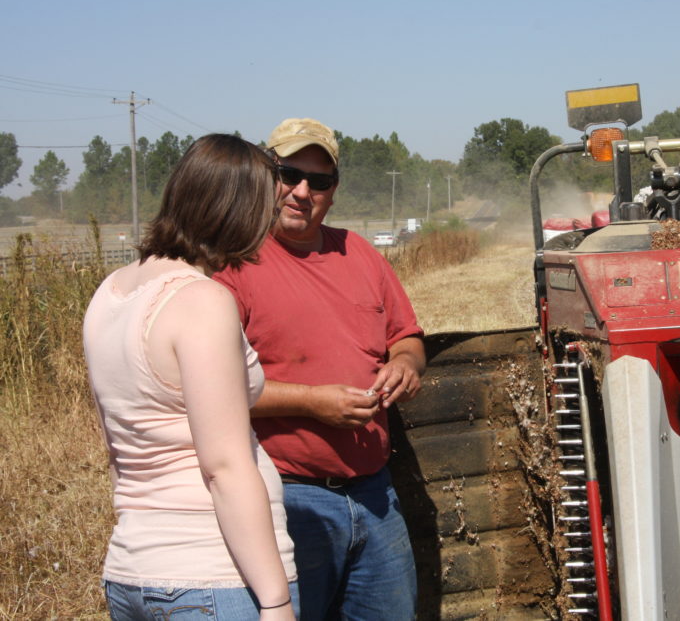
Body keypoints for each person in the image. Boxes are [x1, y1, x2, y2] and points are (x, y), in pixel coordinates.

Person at [214, 118, 425, 620]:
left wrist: (406, 364)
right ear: (266, 175)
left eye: (320, 181)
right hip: (288, 500)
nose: (302, 191)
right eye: (289, 174)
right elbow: (215, 391)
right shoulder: (233, 266)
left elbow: (408, 337)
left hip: (377, 495)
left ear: (334, 190)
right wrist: (312, 402)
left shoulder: (362, 253)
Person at [84, 134, 298, 620]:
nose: (269, 222)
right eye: (266, 206)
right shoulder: (202, 301)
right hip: (215, 577)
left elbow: (117, 447)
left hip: (132, 569)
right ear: (237, 210)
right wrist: (275, 600)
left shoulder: (110, 293)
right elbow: (223, 465)